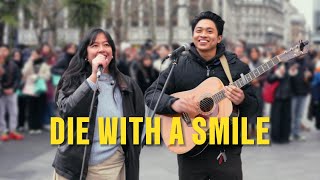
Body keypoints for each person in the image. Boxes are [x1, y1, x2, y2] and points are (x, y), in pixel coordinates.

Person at [145, 11, 259, 180]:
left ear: (219, 37)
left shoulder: (236, 67)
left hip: (226, 149)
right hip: (190, 149)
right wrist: (173, 103)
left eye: (209, 31)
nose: (203, 35)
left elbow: (254, 106)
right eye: (199, 31)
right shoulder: (178, 66)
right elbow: (151, 94)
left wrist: (242, 100)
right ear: (193, 35)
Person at [52, 28, 145, 180]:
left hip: (112, 167)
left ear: (113, 52)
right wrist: (94, 77)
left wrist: (128, 151)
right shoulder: (73, 79)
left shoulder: (127, 85)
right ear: (86, 53)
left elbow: (139, 125)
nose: (101, 49)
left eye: (106, 44)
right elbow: (66, 110)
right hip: (73, 168)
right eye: (94, 45)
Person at [0, 45, 24, 141]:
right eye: (1, 50)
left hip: (11, 91)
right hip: (1, 92)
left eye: (5, 50)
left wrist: (13, 89)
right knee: (1, 112)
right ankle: (3, 131)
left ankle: (13, 130)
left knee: (14, 111)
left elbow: (18, 78)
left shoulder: (13, 64)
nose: (3, 52)